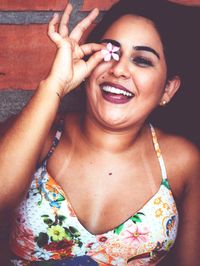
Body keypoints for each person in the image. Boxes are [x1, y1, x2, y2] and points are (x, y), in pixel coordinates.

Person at [0, 0, 199, 265]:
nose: (118, 70)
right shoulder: (40, 135)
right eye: (109, 54)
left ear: (168, 90)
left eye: (141, 60)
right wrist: (54, 86)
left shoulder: (183, 161)